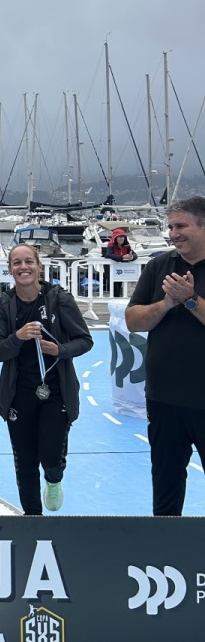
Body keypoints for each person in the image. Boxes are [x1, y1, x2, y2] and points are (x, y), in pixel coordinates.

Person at [0, 244, 92, 515]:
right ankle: (32, 517)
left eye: (28, 262)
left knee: (50, 456)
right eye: (17, 263)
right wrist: (18, 337)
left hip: (55, 390)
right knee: (24, 460)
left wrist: (60, 350)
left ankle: (54, 479)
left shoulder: (59, 299)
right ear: (9, 269)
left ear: (39, 266)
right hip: (19, 393)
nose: (23, 267)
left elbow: (85, 340)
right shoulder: (2, 305)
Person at [126, 196, 205, 516]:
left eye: (181, 226)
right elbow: (133, 320)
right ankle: (164, 542)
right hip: (164, 400)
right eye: (170, 226)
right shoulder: (159, 267)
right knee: (166, 486)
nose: (173, 233)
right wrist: (166, 303)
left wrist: (190, 299)